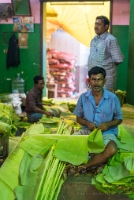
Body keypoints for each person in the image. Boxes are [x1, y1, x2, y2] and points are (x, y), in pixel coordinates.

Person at [72, 66, 122, 174]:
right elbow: (78, 118)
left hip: (106, 133)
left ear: (104, 81)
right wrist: (87, 123)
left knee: (112, 149)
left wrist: (108, 124)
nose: (96, 83)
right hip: (87, 132)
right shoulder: (83, 97)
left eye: (99, 79)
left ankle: (85, 166)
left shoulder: (113, 98)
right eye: (93, 79)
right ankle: (98, 162)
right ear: (89, 81)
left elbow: (119, 119)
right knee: (69, 142)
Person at [88, 15, 124, 92]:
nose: (96, 26)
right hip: (94, 78)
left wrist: (106, 66)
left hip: (106, 79)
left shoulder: (110, 40)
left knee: (105, 101)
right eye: (95, 24)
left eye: (99, 24)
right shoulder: (94, 39)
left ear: (106, 26)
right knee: (94, 101)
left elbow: (118, 59)